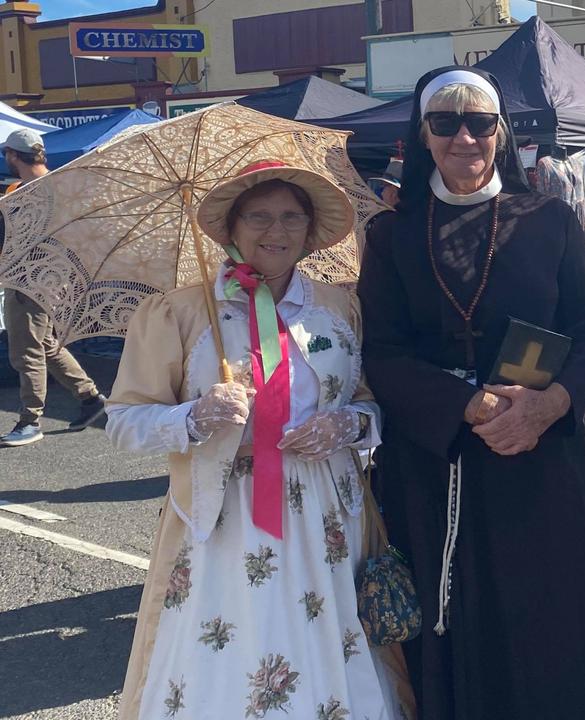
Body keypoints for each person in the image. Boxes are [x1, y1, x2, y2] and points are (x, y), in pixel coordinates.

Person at [357, 66, 585, 719]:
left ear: (500, 132)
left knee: (550, 617)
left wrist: (548, 406)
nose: (464, 137)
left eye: (479, 122)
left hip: (543, 456)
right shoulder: (390, 235)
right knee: (451, 618)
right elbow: (383, 351)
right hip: (437, 459)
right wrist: (465, 405)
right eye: (445, 123)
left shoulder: (551, 221)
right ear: (422, 136)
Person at [106, 160, 413, 719]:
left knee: (331, 637)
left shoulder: (339, 307)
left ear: (310, 228)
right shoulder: (177, 312)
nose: (277, 232)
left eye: (292, 217)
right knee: (241, 638)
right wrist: (195, 416)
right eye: (260, 217)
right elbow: (124, 421)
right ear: (230, 227)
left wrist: (350, 424)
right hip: (226, 518)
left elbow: (371, 400)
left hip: (328, 514)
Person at [1, 128, 106, 447]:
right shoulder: (51, 187)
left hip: (31, 281)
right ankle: (90, 398)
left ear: (14, 156)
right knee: (44, 344)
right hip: (43, 279)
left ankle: (30, 420)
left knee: (26, 351)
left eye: (7, 153)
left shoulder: (35, 193)